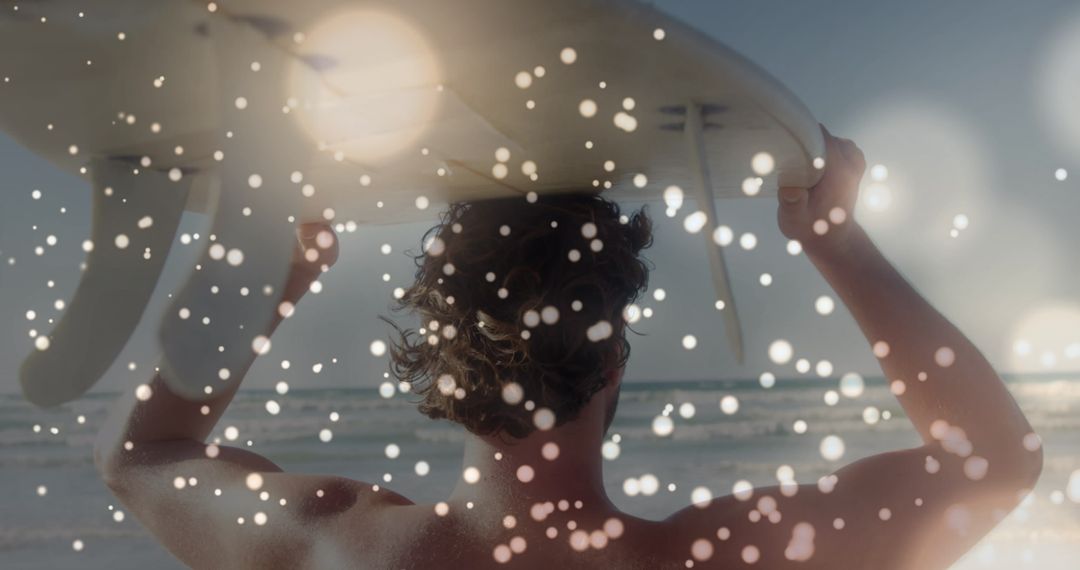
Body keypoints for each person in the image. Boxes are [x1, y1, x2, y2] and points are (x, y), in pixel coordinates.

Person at [94, 128, 1042, 569]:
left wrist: (278, 269)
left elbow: (142, 455)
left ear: (440, 356)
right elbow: (993, 461)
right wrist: (836, 237)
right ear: (614, 357)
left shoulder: (332, 546)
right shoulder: (707, 562)